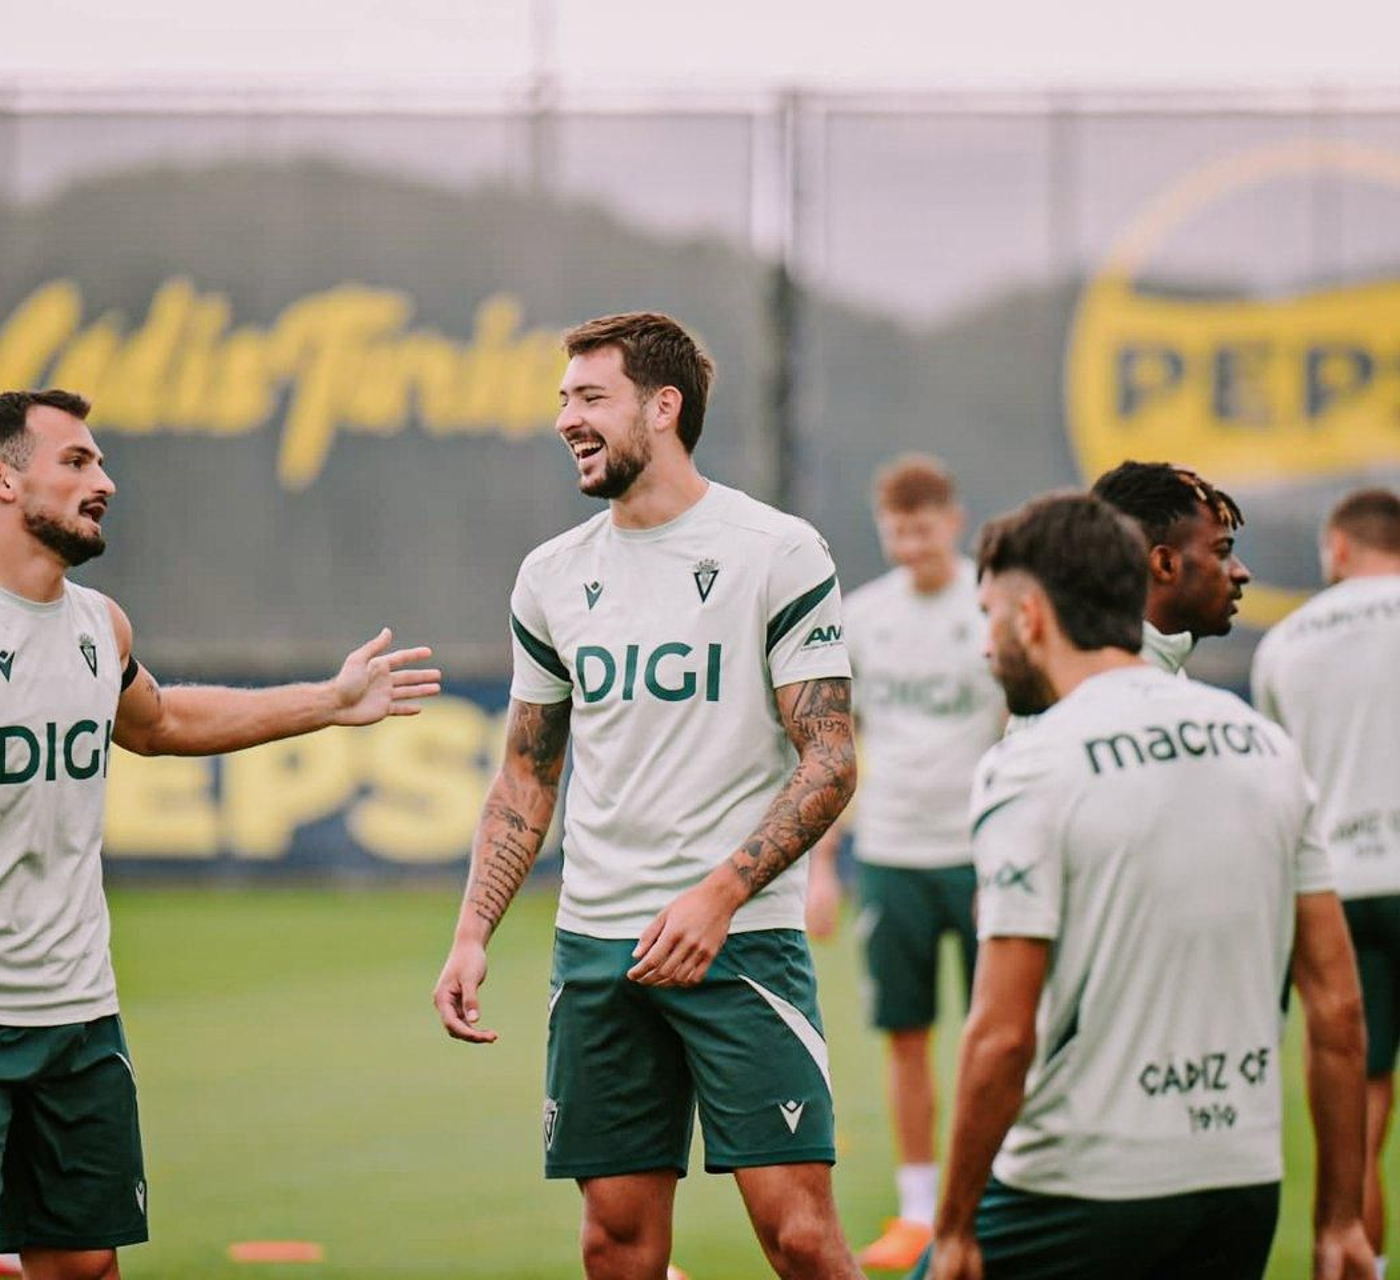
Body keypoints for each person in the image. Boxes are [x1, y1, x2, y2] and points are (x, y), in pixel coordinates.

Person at [0, 388, 441, 1280]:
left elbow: (165, 720)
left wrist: (327, 703)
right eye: (77, 462)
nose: (105, 480)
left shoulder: (100, 625)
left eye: (99, 461)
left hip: (79, 1017)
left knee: (85, 1269)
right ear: (0, 479)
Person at [433, 312, 860, 1279]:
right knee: (616, 1246)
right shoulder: (550, 574)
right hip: (598, 950)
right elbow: (528, 773)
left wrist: (719, 895)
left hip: (740, 942)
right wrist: (471, 933)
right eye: (563, 400)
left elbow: (829, 759)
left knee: (798, 1237)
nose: (565, 421)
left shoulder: (777, 550)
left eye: (591, 398)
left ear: (663, 408)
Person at [913, 492, 1372, 1280]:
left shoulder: (1030, 762)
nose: (985, 647)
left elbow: (1001, 1032)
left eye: (989, 616)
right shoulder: (1263, 745)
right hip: (1240, 1183)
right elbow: (1337, 1004)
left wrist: (953, 1228)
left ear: (1030, 618)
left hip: (1078, 1186)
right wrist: (1339, 1220)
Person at [804, 454, 1005, 1271]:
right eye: (896, 531)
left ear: (952, 523)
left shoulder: (993, 608)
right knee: (906, 1037)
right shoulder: (863, 616)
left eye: (923, 529)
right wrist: (823, 866)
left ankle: (995, 1200)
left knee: (1000, 1033)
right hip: (891, 853)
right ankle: (921, 1210)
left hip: (986, 856)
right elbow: (838, 749)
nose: (910, 545)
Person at [1253, 486, 1400, 1278]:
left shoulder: (1288, 641)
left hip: (1338, 886)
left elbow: (1285, 776)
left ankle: (1354, 1261)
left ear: (1339, 549)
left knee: (1363, 1104)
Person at [1091, 460, 1250, 674]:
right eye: (1222, 552)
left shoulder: (1162, 672)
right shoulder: (1112, 688)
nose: (1241, 572)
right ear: (1164, 564)